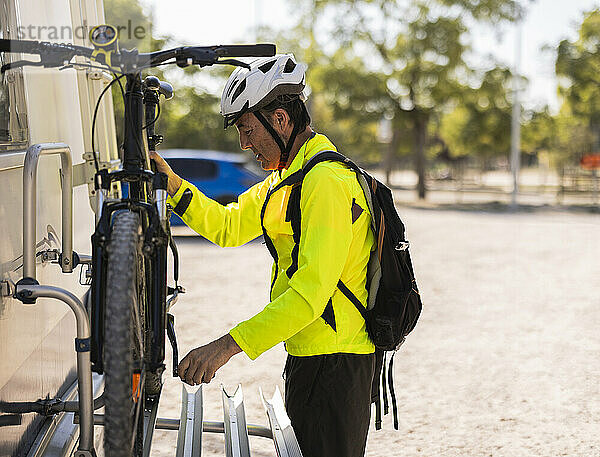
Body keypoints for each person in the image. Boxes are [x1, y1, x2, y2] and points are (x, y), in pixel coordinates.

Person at [150, 54, 376, 457]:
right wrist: (174, 185)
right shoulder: (284, 179)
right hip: (308, 356)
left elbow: (309, 296)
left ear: (281, 120)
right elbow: (229, 225)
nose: (244, 144)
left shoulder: (325, 182)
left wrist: (226, 346)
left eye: (247, 129)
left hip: (338, 363)